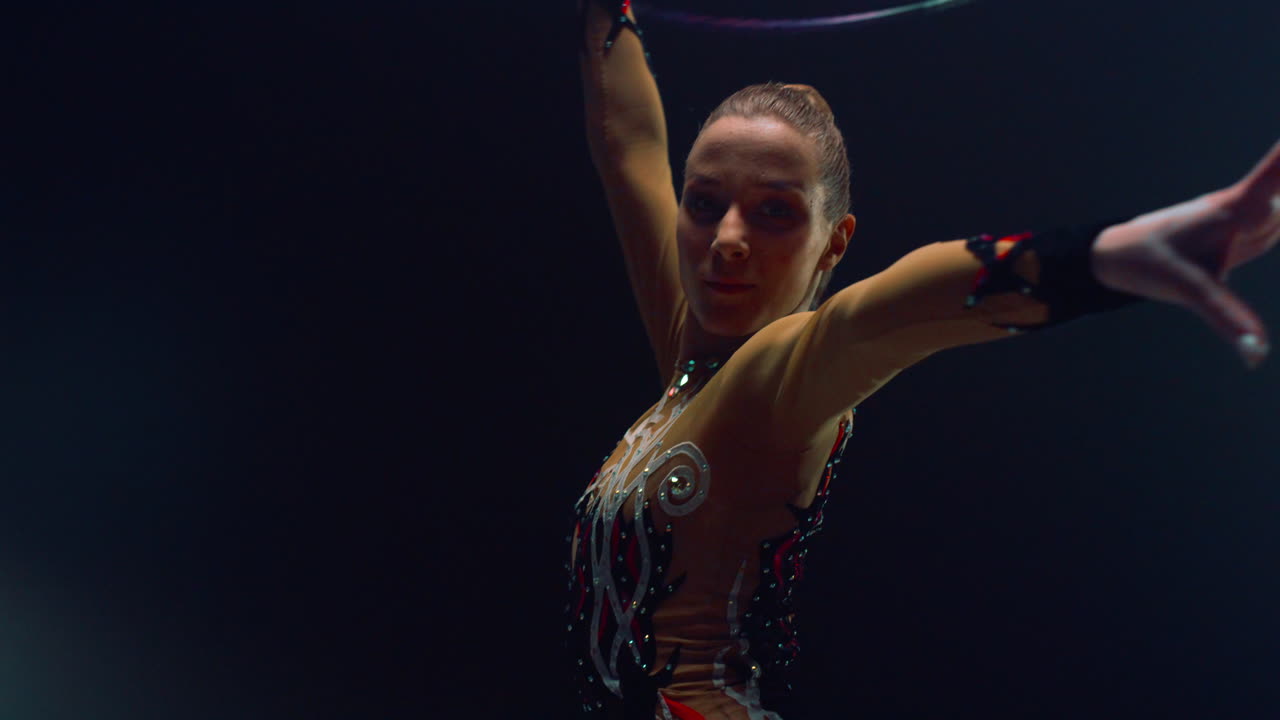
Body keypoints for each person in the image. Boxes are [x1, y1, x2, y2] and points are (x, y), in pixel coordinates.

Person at [564, 1, 1280, 717]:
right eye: (703, 202)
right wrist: (610, 11)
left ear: (834, 243)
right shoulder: (691, 361)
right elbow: (626, 142)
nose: (725, 237)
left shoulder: (779, 378)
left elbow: (891, 309)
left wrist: (1104, 257)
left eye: (774, 211)